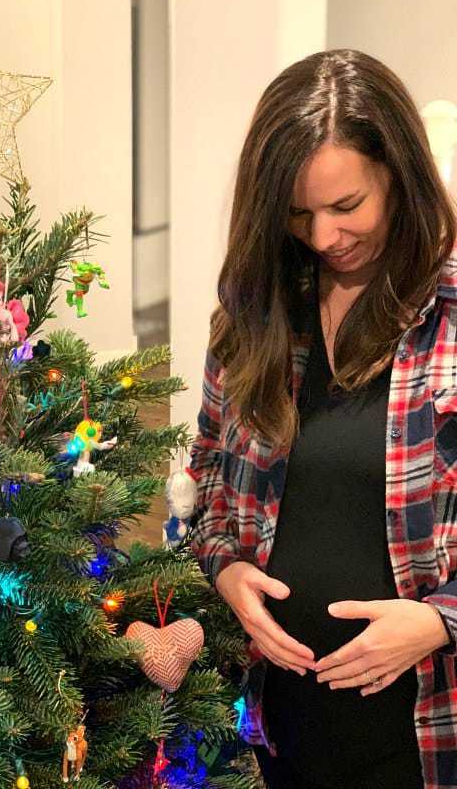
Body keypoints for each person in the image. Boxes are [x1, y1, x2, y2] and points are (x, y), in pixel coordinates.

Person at [188, 48, 457, 789]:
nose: (323, 237)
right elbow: (208, 473)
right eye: (298, 213)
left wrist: (440, 622)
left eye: (348, 208)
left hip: (427, 730)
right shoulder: (256, 314)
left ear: (401, 178)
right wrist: (227, 570)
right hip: (280, 731)